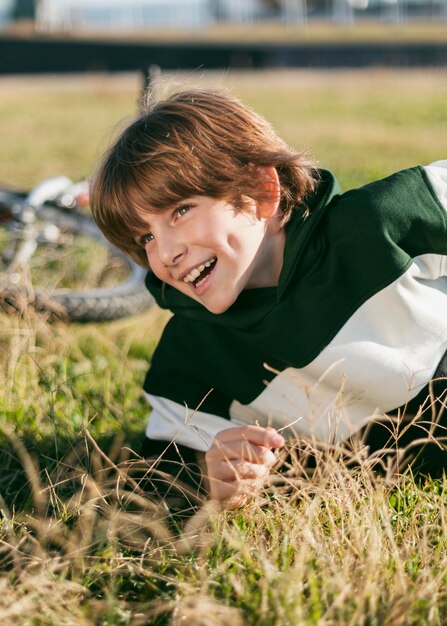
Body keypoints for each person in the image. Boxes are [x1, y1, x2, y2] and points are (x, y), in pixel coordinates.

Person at [90, 88, 447, 509]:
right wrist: (216, 473)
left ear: (261, 190)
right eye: (146, 236)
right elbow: (163, 470)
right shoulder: (192, 351)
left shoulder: (379, 225)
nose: (165, 253)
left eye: (181, 211)